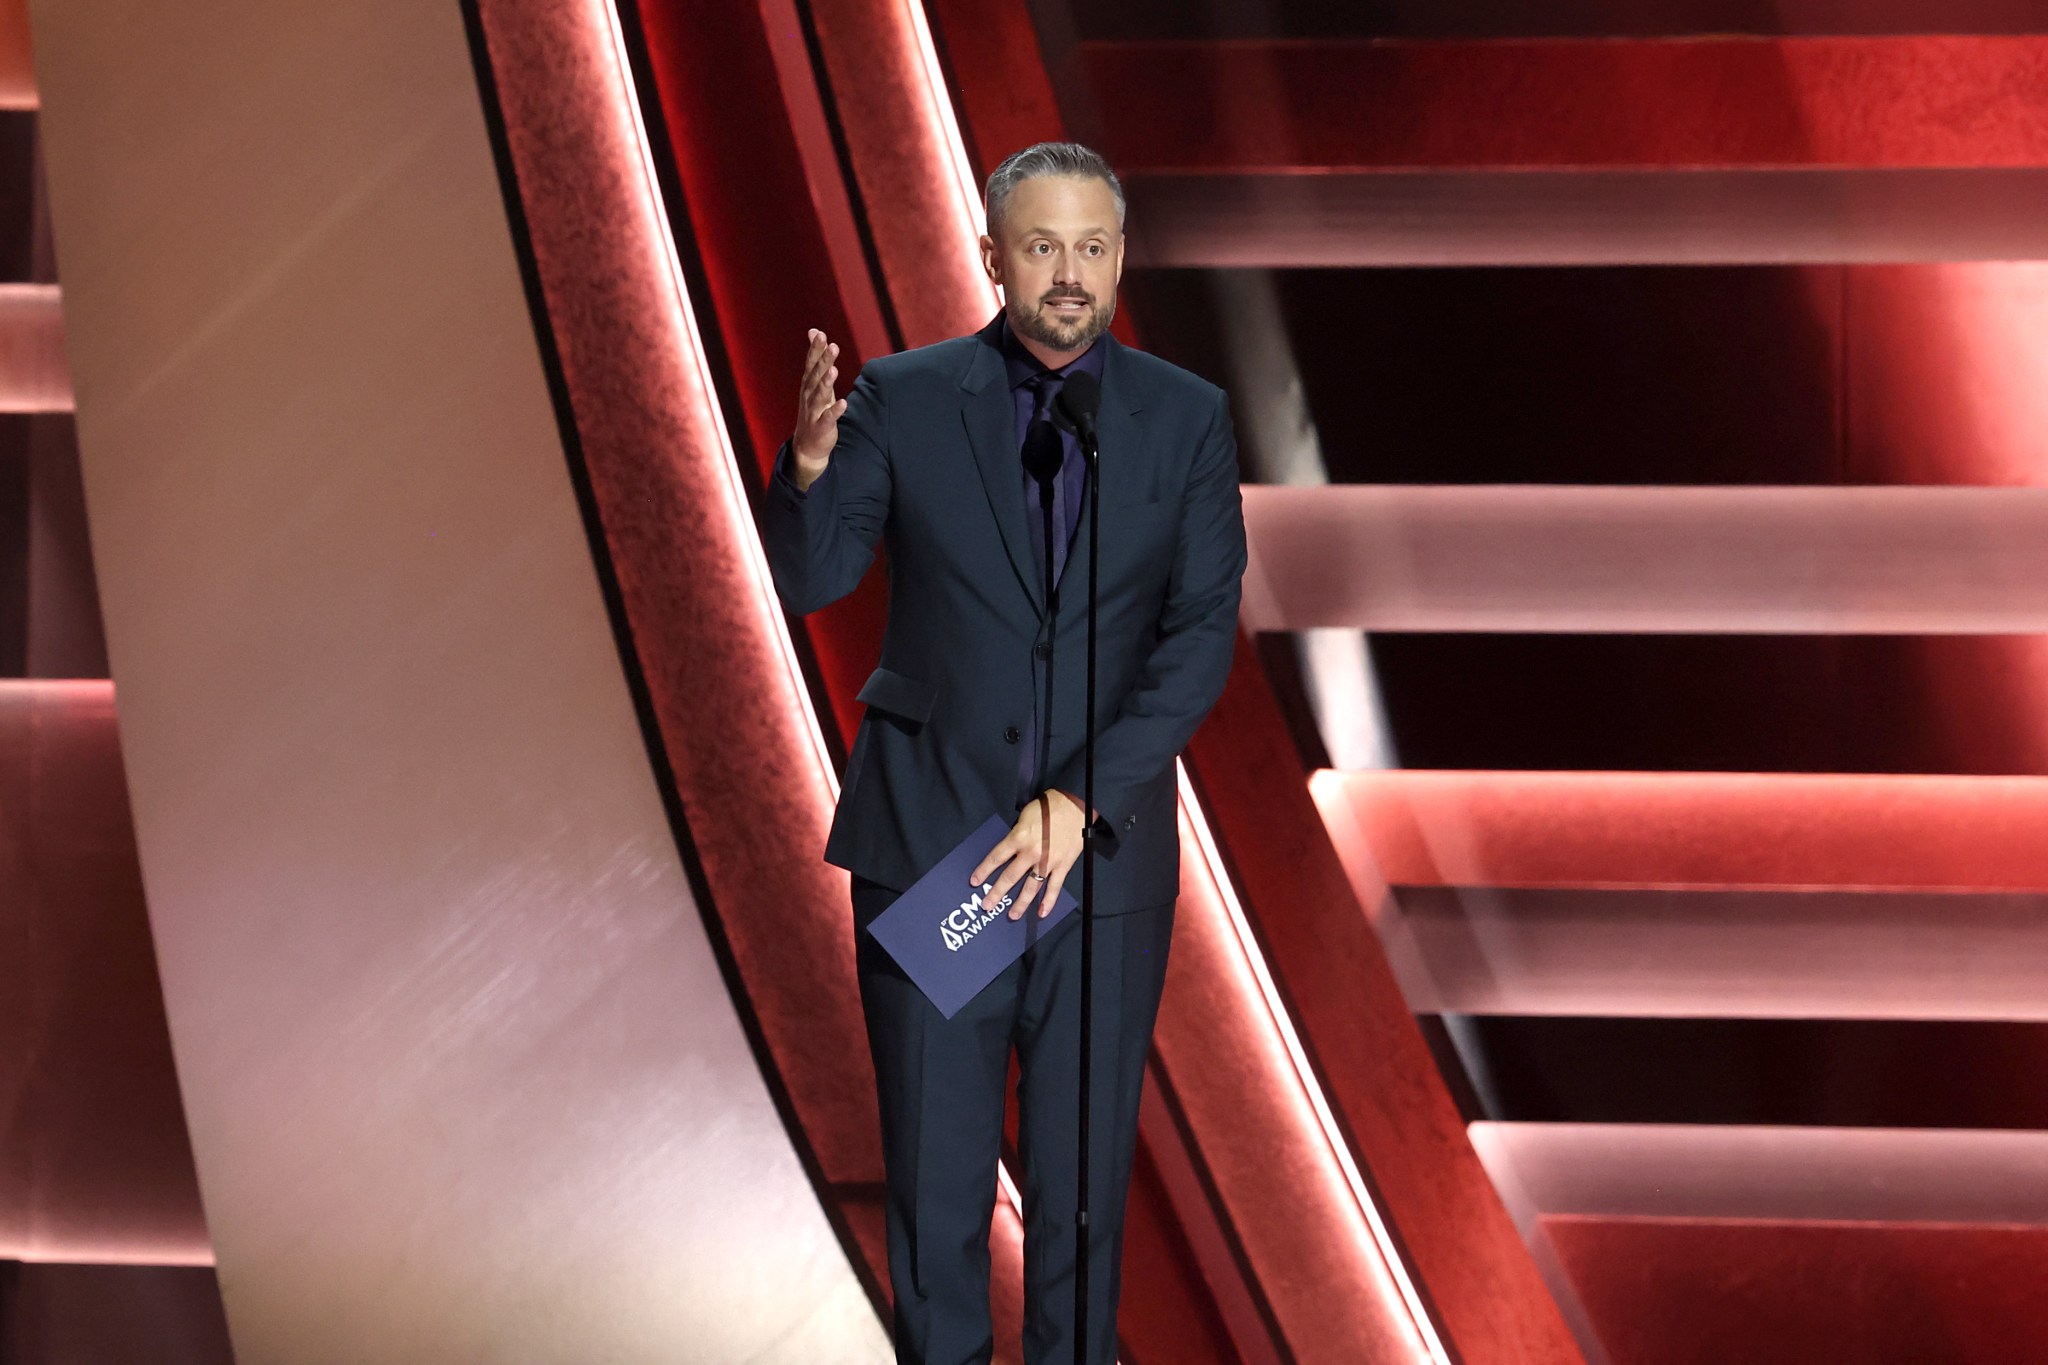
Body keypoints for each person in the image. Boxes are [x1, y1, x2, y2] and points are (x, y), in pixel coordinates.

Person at [762, 140, 1246, 1365]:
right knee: (936, 1200)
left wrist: (1079, 800)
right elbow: (814, 577)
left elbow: (1195, 641)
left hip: (1101, 869)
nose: (1069, 273)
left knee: (1082, 1203)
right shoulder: (903, 397)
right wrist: (810, 470)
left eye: (1092, 246)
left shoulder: (1185, 420)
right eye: (1042, 247)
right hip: (937, 850)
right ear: (991, 258)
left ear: (1120, 256)